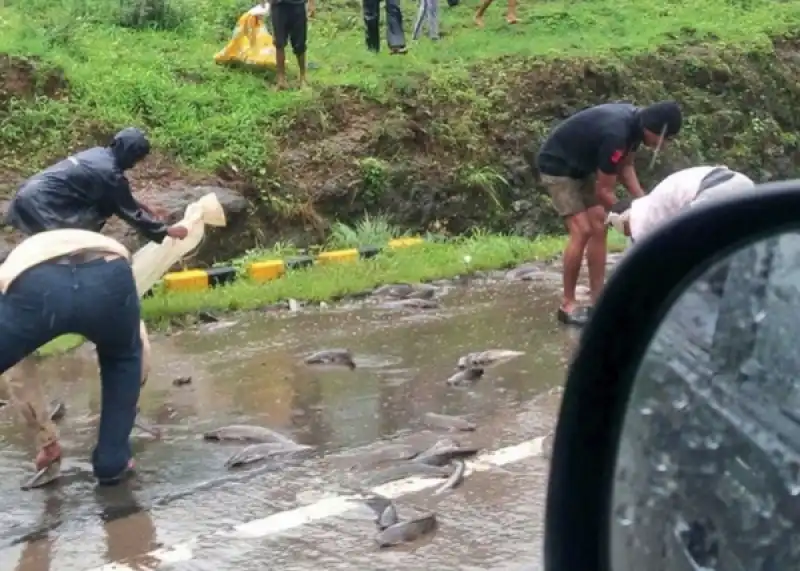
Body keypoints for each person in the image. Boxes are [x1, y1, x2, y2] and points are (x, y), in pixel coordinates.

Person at [0, 228, 176, 485]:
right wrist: (124, 411)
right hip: (109, 274)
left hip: (37, 287)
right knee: (122, 359)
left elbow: (18, 373)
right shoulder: (99, 241)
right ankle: (112, 461)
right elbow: (136, 352)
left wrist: (45, 437)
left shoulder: (11, 269)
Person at [535, 100, 683, 326]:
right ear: (654, 130)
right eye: (666, 139)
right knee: (582, 230)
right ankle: (568, 303)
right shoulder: (617, 133)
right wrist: (632, 214)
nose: (663, 146)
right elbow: (604, 191)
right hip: (557, 166)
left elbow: (626, 167)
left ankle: (598, 298)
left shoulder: (635, 126)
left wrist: (645, 202)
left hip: (582, 167)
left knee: (599, 225)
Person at [5, 127, 188, 243]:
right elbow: (127, 211)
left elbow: (116, 197)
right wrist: (166, 231)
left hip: (28, 195)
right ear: (130, 154)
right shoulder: (110, 173)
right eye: (136, 159)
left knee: (62, 245)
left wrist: (145, 207)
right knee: (66, 249)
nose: (133, 165)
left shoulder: (99, 154)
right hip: (43, 205)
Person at [606, 165, 756, 245]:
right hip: (742, 183)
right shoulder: (654, 201)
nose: (626, 234)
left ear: (626, 218)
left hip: (712, 191)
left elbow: (642, 252)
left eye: (623, 229)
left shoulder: (641, 217)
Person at [268, 0, 311, 89]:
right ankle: (281, 80)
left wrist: (311, 3)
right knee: (279, 43)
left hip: (297, 5)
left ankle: (303, 77)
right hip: (278, 5)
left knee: (300, 44)